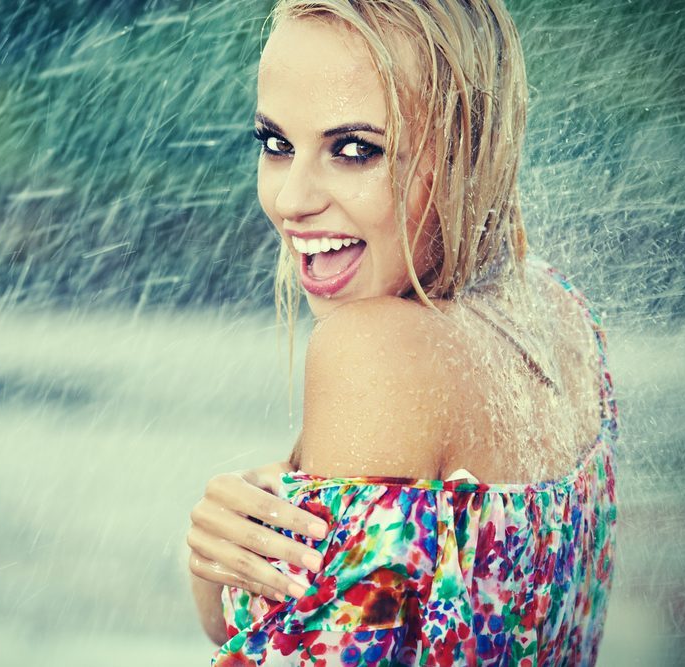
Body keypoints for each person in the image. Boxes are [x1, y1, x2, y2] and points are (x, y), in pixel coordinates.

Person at [187, 1, 618, 665]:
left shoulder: (376, 351)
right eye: (276, 144)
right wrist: (224, 574)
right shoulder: (559, 313)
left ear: (466, 151)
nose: (290, 199)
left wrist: (216, 590)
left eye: (355, 150)